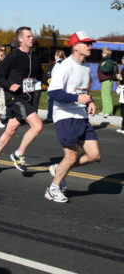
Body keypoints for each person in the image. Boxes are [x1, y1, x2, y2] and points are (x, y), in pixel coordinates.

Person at [46, 31, 101, 203]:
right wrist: (77, 98)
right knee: (70, 156)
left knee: (94, 155)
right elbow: (53, 92)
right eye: (86, 43)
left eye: (90, 43)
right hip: (64, 115)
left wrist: (89, 101)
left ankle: (59, 168)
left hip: (80, 115)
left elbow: (83, 91)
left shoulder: (86, 67)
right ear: (75, 46)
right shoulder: (65, 66)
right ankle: (53, 189)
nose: (90, 46)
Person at [0, 26, 43, 173]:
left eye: (32, 36)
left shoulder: (35, 57)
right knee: (37, 126)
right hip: (14, 97)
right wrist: (9, 85)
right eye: (28, 36)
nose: (32, 38)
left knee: (11, 130)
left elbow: (41, 76)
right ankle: (18, 154)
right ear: (20, 39)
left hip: (28, 97)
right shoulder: (13, 56)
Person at [44, 50, 66, 123]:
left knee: (51, 102)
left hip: (54, 86)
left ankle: (50, 117)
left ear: (57, 56)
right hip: (62, 87)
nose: (54, 56)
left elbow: (50, 76)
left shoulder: (54, 65)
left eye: (55, 55)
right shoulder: (66, 64)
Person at [98, 47, 116, 118]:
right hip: (104, 80)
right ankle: (104, 110)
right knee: (103, 95)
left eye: (103, 52)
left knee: (107, 95)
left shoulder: (109, 61)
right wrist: (102, 66)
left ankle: (109, 111)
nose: (102, 54)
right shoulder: (104, 61)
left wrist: (102, 67)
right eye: (102, 52)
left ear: (107, 53)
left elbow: (107, 70)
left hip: (108, 80)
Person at [114, 56, 124, 134]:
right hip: (122, 90)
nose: (122, 60)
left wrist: (121, 79)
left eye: (123, 59)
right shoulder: (123, 69)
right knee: (122, 110)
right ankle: (123, 128)